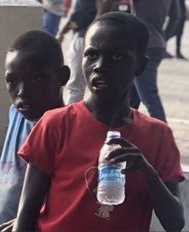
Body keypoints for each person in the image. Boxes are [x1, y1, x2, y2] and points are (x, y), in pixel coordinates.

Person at [13, 12, 185, 231]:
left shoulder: (158, 135)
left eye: (116, 57)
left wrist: (147, 172)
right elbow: (26, 215)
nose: (100, 66)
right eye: (92, 55)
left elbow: (175, 223)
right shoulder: (55, 124)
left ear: (140, 65)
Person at [0, 30, 69, 232]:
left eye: (35, 79)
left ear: (63, 77)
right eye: (12, 82)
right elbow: (12, 191)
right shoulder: (17, 115)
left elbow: (66, 208)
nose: (22, 92)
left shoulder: (67, 132)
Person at [57, 0, 118, 104]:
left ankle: (72, 116)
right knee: (82, 84)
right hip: (87, 38)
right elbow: (77, 19)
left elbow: (96, 13)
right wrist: (62, 32)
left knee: (76, 86)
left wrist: (91, 34)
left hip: (84, 39)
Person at [130, 0, 179, 122]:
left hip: (142, 47)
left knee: (149, 97)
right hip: (157, 45)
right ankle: (123, 131)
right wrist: (164, 36)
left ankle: (164, 134)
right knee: (131, 97)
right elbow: (177, 17)